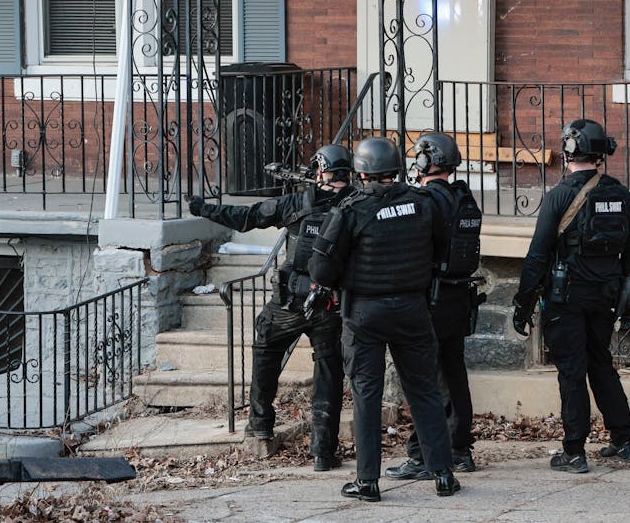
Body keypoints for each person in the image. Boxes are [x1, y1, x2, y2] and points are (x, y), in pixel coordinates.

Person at [308, 136, 460, 501]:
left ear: (361, 171)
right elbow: (442, 247)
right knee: (424, 389)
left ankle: (367, 482)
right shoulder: (422, 203)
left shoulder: (350, 209)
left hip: (365, 313)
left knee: (366, 395)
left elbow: (321, 266)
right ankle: (443, 475)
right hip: (412, 308)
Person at [189, 144, 355, 472]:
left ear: (321, 170)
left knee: (265, 350)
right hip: (331, 304)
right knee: (329, 372)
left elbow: (247, 216)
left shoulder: (297, 203)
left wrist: (204, 209)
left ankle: (260, 424)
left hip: (289, 302)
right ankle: (323, 451)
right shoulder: (356, 205)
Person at [512, 119, 630, 473]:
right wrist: (628, 303)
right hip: (606, 294)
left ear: (569, 150)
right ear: (600, 153)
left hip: (565, 297)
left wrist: (522, 304)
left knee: (572, 371)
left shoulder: (560, 196)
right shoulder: (620, 194)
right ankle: (623, 439)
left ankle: (574, 451)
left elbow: (537, 254)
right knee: (600, 362)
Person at [386, 132, 481, 481]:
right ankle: (460, 449)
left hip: (432, 297)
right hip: (459, 296)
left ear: (427, 160)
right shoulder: (464, 198)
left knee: (425, 379)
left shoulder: (425, 200)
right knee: (454, 372)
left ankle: (423, 454)